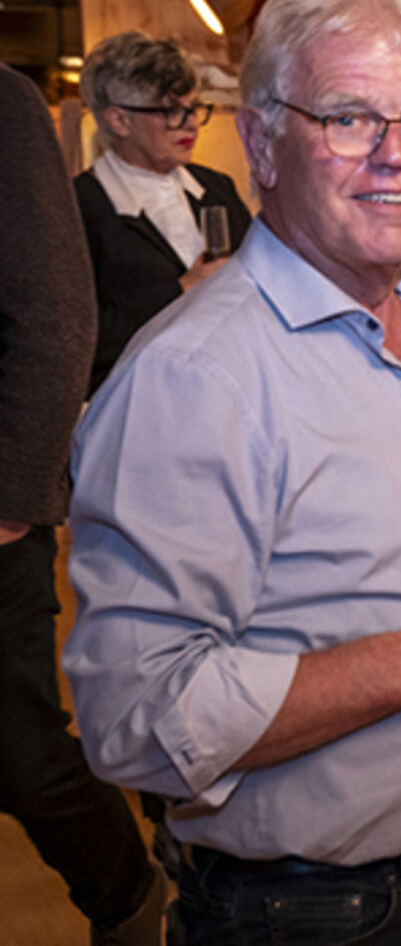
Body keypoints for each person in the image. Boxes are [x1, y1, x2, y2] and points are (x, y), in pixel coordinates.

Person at [63, 0, 401, 945]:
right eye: (347, 118)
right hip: (311, 912)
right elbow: (134, 716)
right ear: (260, 142)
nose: (397, 156)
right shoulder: (195, 377)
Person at [0, 63, 164, 946]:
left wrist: (15, 504)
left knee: (24, 757)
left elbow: (56, 308)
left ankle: (129, 899)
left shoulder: (3, 104)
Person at [74, 31, 251, 395]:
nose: (189, 123)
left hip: (232, 388)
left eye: (193, 108)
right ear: (119, 120)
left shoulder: (216, 187)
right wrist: (181, 289)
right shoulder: (78, 207)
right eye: (171, 111)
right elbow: (80, 338)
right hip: (135, 400)